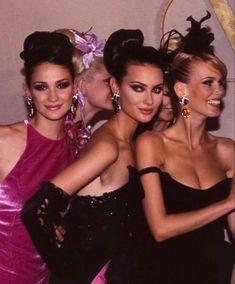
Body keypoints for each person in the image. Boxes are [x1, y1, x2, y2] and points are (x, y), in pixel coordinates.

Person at [21, 28, 165, 283]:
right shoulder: (107, 146)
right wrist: (69, 270)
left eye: (156, 90)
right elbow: (36, 210)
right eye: (138, 88)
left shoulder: (128, 140)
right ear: (115, 86)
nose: (149, 100)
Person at [136, 12, 235, 284]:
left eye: (221, 83)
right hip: (162, 273)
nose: (219, 91)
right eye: (208, 83)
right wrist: (227, 203)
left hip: (216, 273)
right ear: (181, 90)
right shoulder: (152, 143)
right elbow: (160, 228)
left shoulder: (228, 151)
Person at [0, 31, 76, 283]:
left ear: (75, 87)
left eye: (62, 85)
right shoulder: (5, 140)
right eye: (41, 87)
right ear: (28, 91)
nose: (53, 97)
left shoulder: (78, 149)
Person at [55, 28, 114, 157]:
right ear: (82, 86)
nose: (115, 87)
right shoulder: (59, 135)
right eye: (107, 81)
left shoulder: (82, 134)